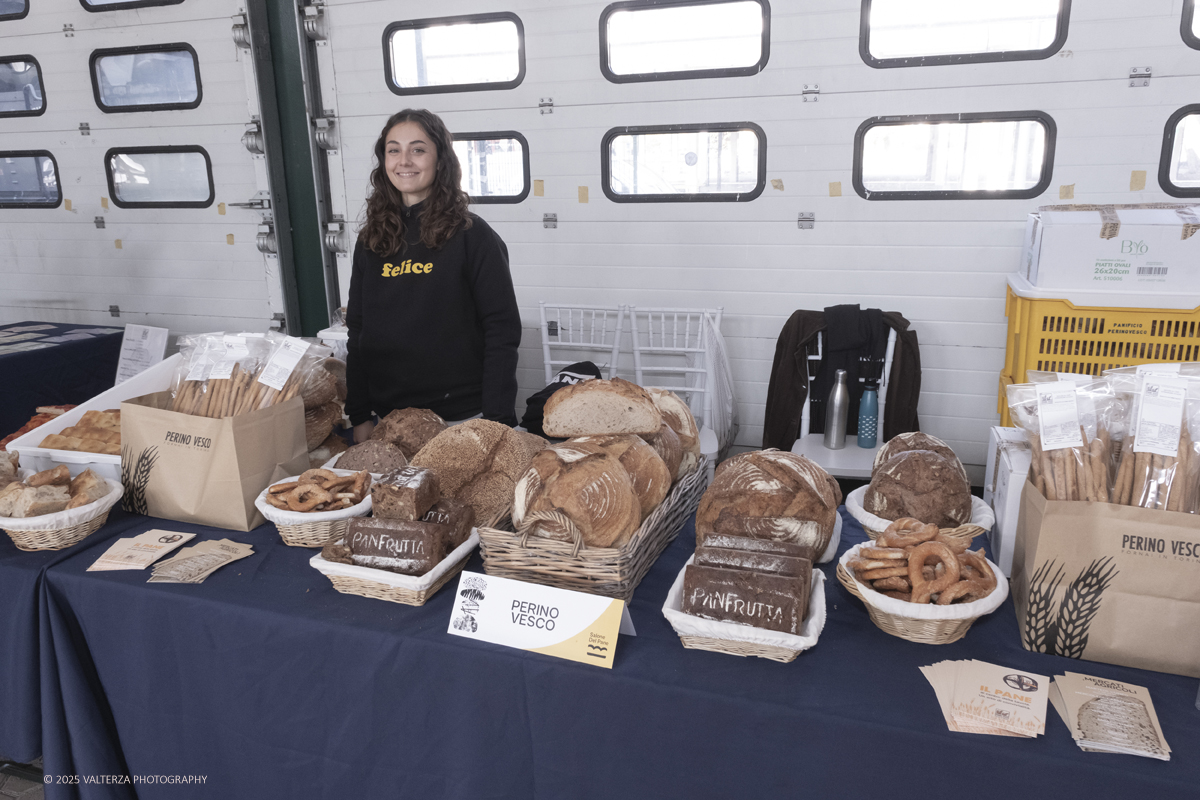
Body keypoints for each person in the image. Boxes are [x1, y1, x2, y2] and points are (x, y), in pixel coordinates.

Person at [345, 109, 522, 442]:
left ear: (440, 159)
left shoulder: (472, 235)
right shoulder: (371, 240)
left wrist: (497, 419)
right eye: (393, 149)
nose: (404, 160)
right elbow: (357, 330)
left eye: (418, 149)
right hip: (390, 422)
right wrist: (359, 413)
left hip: (462, 421)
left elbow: (502, 329)